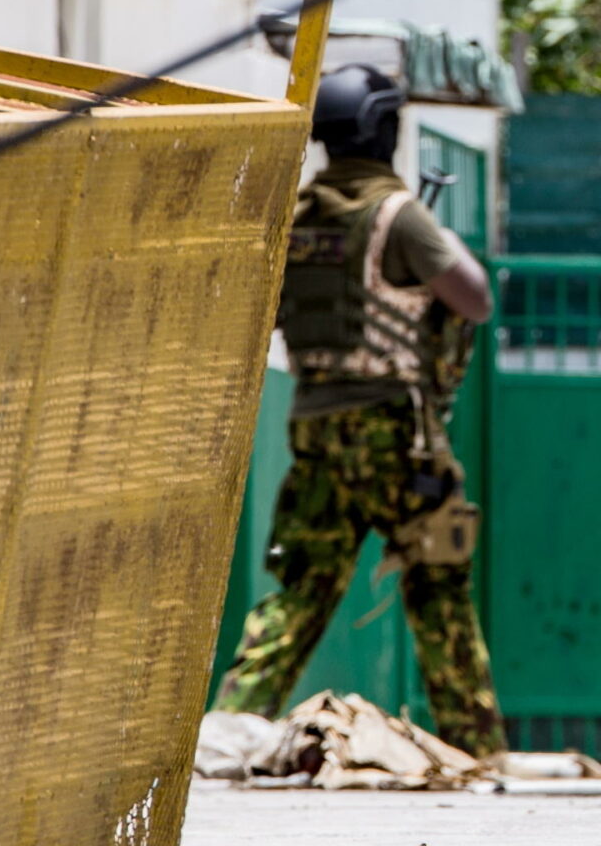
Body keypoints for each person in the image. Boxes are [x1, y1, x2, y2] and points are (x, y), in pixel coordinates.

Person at [214, 62, 505, 758]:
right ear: (384, 129)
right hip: (394, 434)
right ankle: (476, 745)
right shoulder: (396, 213)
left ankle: (226, 732)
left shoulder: (296, 214)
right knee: (438, 589)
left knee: (299, 590)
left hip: (313, 425)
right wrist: (429, 229)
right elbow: (475, 298)